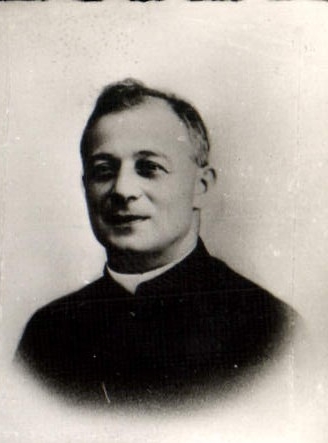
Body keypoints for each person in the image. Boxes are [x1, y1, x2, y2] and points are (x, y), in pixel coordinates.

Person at [16, 80, 295, 408]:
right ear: (85, 186)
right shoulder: (48, 334)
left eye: (149, 168)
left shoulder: (269, 330)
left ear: (201, 186)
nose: (122, 190)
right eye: (103, 170)